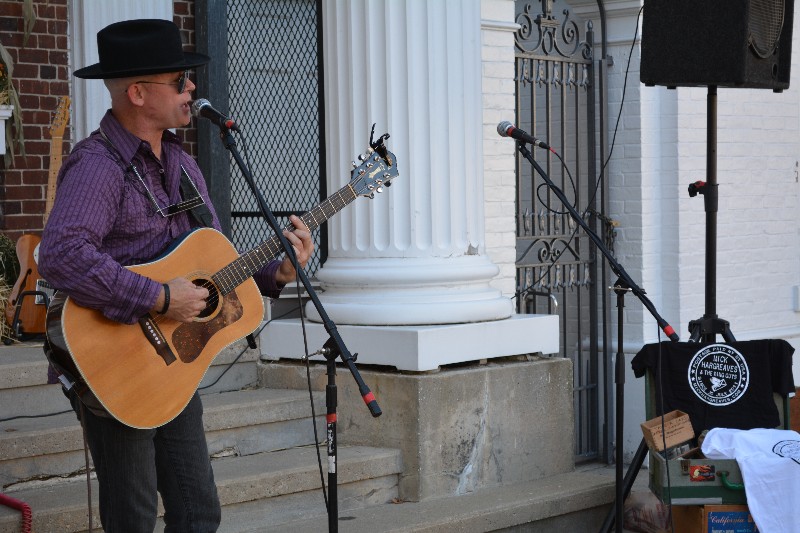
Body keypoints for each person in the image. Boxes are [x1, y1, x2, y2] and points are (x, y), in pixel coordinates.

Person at [38, 19, 314, 532]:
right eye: (181, 80)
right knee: (134, 519)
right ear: (138, 93)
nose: (192, 90)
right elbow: (61, 255)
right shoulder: (98, 166)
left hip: (173, 363)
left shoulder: (183, 166)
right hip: (114, 363)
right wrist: (159, 297)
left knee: (196, 513)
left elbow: (209, 269)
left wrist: (275, 272)